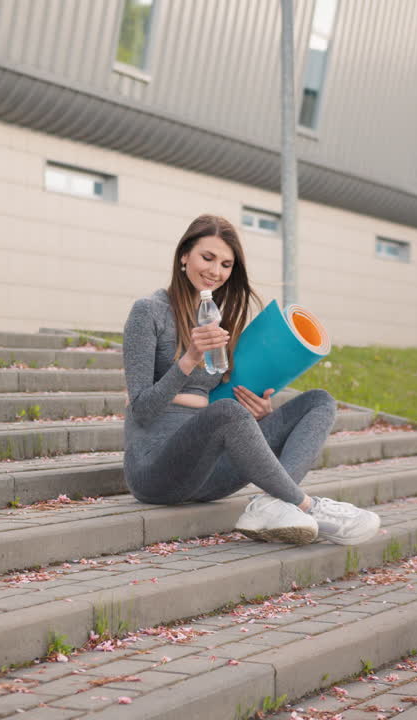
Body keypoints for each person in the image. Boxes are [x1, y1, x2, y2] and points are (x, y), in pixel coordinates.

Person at [121, 213, 381, 545]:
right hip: (155, 470)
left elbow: (217, 403)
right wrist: (189, 360)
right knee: (228, 411)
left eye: (226, 265)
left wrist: (259, 412)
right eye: (208, 257)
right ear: (184, 255)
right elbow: (141, 408)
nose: (216, 271)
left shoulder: (218, 320)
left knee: (319, 402)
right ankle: (307, 505)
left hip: (207, 473)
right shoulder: (148, 311)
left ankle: (270, 504)